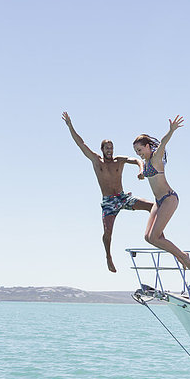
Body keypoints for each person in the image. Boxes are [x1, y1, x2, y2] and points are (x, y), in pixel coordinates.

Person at [62, 112, 153, 273]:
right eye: (107, 148)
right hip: (109, 202)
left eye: (111, 147)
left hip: (123, 197)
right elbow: (81, 143)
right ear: (102, 149)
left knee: (152, 205)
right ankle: (108, 256)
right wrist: (70, 126)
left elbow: (137, 159)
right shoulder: (97, 161)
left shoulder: (119, 160)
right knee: (107, 233)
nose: (110, 150)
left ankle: (156, 234)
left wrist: (141, 170)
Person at [133, 115, 190, 271]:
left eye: (140, 149)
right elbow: (141, 165)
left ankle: (182, 255)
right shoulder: (145, 162)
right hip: (158, 201)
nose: (139, 153)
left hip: (169, 199)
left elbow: (163, 142)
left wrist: (171, 130)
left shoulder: (156, 158)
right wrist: (141, 173)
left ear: (148, 146)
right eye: (136, 151)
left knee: (154, 237)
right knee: (148, 238)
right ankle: (179, 255)